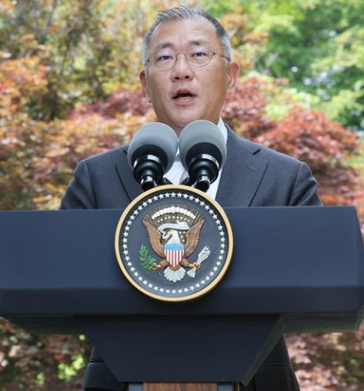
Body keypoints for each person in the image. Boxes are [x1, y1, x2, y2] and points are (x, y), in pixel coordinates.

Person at [60, 6, 320, 391]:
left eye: (199, 54)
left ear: (231, 76)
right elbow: (60, 279)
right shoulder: (97, 176)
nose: (182, 70)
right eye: (165, 57)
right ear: (145, 84)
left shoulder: (284, 177)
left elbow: (316, 279)